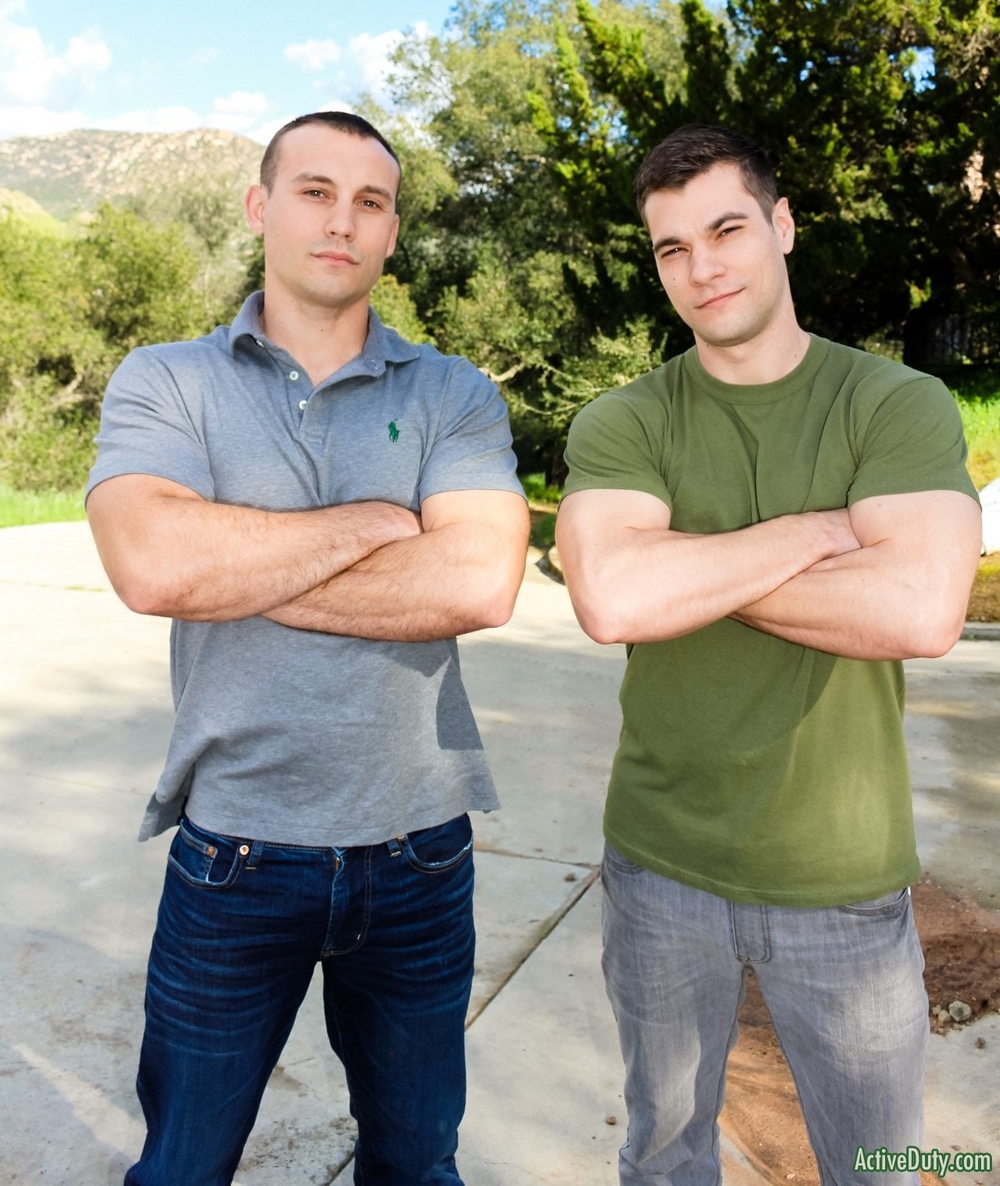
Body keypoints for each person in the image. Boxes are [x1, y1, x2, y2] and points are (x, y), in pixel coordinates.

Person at [86, 110, 529, 1186]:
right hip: (233, 852)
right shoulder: (167, 380)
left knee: (416, 1164)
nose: (343, 221)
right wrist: (379, 524)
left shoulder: (452, 391)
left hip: (420, 851)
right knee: (180, 1167)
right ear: (260, 206)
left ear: (391, 232)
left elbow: (478, 581)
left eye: (370, 202)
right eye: (315, 191)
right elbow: (154, 566)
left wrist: (243, 564)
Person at [555, 123, 981, 1186]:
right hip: (658, 869)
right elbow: (612, 598)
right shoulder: (625, 420)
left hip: (842, 877)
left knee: (880, 1165)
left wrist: (690, 571)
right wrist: (815, 533)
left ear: (782, 226)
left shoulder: (891, 402)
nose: (702, 267)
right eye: (672, 248)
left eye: (727, 230)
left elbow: (920, 610)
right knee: (661, 1155)